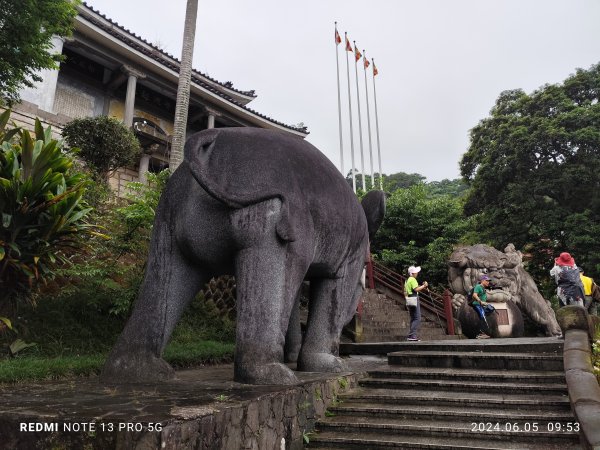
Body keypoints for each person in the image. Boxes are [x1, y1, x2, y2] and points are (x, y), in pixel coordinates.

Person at [404, 265, 428, 341]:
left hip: (409, 299)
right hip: (414, 298)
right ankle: (411, 335)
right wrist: (424, 286)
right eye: (416, 272)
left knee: (413, 318)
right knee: (417, 318)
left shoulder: (407, 280)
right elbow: (416, 289)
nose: (417, 273)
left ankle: (412, 335)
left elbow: (405, 291)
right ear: (413, 273)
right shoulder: (413, 279)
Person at [471, 275, 494, 339]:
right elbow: (474, 295)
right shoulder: (478, 286)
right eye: (487, 281)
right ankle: (480, 334)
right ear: (482, 281)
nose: (488, 282)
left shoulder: (483, 288)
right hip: (477, 304)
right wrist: (480, 301)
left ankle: (482, 333)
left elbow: (483, 298)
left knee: (483, 317)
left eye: (488, 281)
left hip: (481, 305)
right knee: (482, 317)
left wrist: (485, 303)